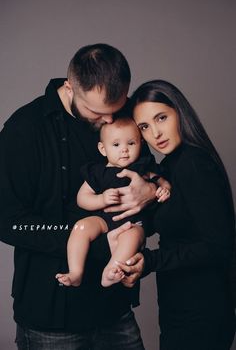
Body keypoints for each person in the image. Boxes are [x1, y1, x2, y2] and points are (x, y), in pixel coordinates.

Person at [0, 44, 159, 350]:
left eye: (117, 108)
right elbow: (6, 221)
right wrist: (88, 240)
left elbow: (146, 201)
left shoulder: (121, 119)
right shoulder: (24, 129)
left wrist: (149, 194)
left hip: (115, 309)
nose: (110, 121)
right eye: (97, 113)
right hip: (50, 315)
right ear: (69, 87)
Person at [117, 80, 236, 350]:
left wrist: (150, 260)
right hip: (179, 303)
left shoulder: (193, 162)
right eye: (144, 127)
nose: (155, 133)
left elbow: (218, 245)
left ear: (179, 112)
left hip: (202, 309)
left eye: (161, 118)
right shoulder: (170, 165)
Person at [56, 115, 170, 288]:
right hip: (103, 220)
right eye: (116, 145)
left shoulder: (142, 167)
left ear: (140, 143)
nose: (124, 150)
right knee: (81, 227)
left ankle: (111, 269)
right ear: (103, 149)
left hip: (133, 224)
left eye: (131, 143)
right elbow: (82, 198)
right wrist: (101, 199)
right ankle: (76, 272)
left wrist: (162, 189)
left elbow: (162, 181)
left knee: (133, 236)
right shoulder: (97, 172)